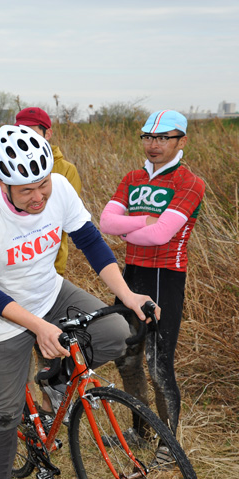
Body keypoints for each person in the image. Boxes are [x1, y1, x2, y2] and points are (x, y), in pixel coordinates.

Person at [0, 125, 159, 478]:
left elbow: (92, 243)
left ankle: (52, 380)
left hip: (49, 292)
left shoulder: (60, 189)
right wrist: (38, 328)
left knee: (114, 333)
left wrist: (128, 296)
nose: (39, 197)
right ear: (3, 185)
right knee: (4, 413)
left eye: (43, 184)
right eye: (26, 191)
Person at [100, 110, 205, 436]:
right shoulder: (132, 178)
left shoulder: (189, 182)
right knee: (126, 358)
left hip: (166, 278)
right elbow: (106, 223)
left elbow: (162, 235)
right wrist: (143, 224)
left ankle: (168, 446)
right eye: (147, 137)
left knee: (159, 368)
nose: (153, 144)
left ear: (181, 141)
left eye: (162, 138)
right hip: (130, 277)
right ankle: (139, 431)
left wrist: (128, 229)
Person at [13, 107, 83, 412]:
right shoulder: (10, 164)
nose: (25, 139)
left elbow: (62, 219)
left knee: (50, 341)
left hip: (51, 267)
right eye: (20, 134)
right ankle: (22, 406)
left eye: (32, 132)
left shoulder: (65, 170)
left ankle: (49, 405)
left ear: (48, 133)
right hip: (16, 268)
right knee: (18, 341)